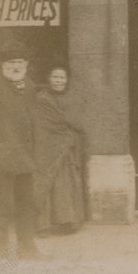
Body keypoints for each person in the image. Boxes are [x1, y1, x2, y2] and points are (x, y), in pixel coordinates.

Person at [0, 40, 49, 261]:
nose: (15, 66)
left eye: (20, 62)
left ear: (26, 64)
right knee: (1, 207)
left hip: (25, 158)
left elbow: (32, 121)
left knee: (26, 205)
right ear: (2, 64)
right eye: (11, 62)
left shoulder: (29, 85)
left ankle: (27, 249)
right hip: (1, 159)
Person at [33, 65, 88, 235]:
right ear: (48, 79)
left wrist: (71, 130)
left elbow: (78, 122)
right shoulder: (41, 99)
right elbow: (41, 124)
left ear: (67, 80)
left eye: (62, 77)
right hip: (47, 149)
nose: (58, 81)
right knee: (47, 183)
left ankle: (67, 221)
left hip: (67, 151)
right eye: (55, 77)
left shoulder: (72, 98)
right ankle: (44, 224)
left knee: (66, 184)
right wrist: (67, 128)